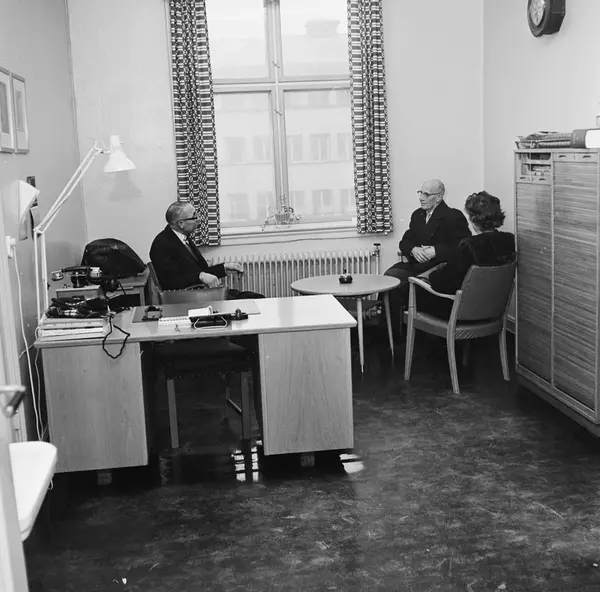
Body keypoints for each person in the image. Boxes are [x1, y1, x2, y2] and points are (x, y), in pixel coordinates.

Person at [383, 179, 471, 327]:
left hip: (437, 271)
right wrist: (413, 249)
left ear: (439, 197)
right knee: (389, 279)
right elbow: (405, 241)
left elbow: (464, 247)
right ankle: (388, 333)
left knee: (397, 285)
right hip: (416, 266)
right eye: (420, 193)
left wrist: (436, 251)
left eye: (426, 194)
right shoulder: (417, 215)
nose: (421, 198)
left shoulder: (453, 216)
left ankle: (399, 332)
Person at [416, 190, 516, 319]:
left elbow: (443, 284)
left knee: (417, 291)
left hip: (462, 312)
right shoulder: (510, 240)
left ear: (473, 219)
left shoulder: (469, 245)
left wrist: (430, 276)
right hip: (494, 309)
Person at [150, 201, 264, 298]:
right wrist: (200, 276)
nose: (198, 220)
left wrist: (225, 267)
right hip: (192, 299)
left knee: (257, 298)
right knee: (257, 300)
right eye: (194, 217)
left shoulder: (183, 238)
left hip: (202, 294)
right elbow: (170, 282)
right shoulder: (162, 244)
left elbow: (202, 270)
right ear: (181, 223)